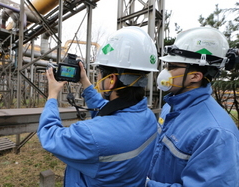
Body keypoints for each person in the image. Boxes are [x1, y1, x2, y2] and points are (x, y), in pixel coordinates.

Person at [37, 26, 159, 186]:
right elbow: (109, 110)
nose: (98, 75)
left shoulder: (90, 135)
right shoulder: (149, 118)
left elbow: (49, 135)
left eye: (100, 71)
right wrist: (84, 81)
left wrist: (52, 95)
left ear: (111, 80)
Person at [146, 27, 239, 187]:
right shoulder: (171, 106)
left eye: (172, 66)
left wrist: (146, 184)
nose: (165, 72)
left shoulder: (217, 134)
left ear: (195, 76)